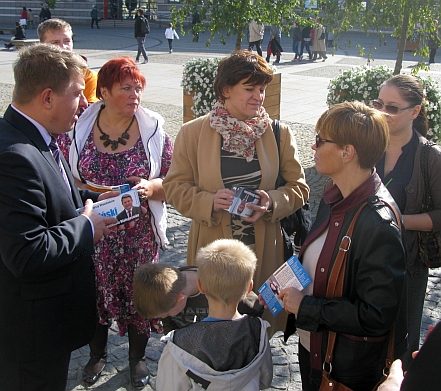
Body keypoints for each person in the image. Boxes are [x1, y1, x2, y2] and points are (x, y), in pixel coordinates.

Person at [0, 44, 117, 391]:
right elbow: (27, 252)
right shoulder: (11, 157)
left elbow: (58, 197)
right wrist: (86, 226)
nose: (85, 104)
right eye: (79, 94)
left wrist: (97, 199)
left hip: (42, 327)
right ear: (47, 97)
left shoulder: (38, 137)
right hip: (23, 336)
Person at [162, 50, 309, 335]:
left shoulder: (279, 133)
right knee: (214, 327)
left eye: (262, 89)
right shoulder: (193, 133)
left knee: (259, 327)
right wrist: (209, 201)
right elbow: (174, 188)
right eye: (249, 88)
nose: (258, 96)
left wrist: (272, 201)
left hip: (264, 251)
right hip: (214, 250)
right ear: (225, 90)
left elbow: (300, 188)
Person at [279, 101, 407, 391]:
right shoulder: (334, 194)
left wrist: (307, 307)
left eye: (320, 141)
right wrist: (279, 287)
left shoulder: (377, 223)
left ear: (348, 152)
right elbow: (319, 260)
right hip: (314, 347)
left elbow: (378, 315)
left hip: (342, 369)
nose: (313, 147)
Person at [63, 56, 173, 387]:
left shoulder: (154, 131)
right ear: (105, 91)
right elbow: (66, 177)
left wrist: (151, 187)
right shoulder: (78, 128)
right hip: (94, 232)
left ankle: (137, 359)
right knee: (96, 293)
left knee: (141, 295)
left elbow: (177, 182)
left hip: (139, 234)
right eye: (127, 88)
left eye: (138, 88)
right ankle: (97, 355)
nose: (135, 95)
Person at [373, 74, 441, 370]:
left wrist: (399, 220)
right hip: (364, 259)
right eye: (379, 104)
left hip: (408, 267)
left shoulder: (430, 157)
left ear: (415, 111)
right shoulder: (369, 145)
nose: (382, 113)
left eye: (392, 107)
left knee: (402, 347)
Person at [156, 239, 273, 391]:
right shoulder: (259, 331)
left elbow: (168, 387)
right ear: (249, 288)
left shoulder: (179, 344)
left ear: (201, 286)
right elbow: (265, 379)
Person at [133, 263, 263, 334]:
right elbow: (170, 326)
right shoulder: (167, 294)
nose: (163, 318)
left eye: (166, 314)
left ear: (181, 298)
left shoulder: (219, 287)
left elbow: (253, 308)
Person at [37, 18, 98, 104]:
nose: (63, 47)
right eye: (55, 42)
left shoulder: (87, 75)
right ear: (43, 45)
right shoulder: (32, 74)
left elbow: (90, 111)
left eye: (67, 41)